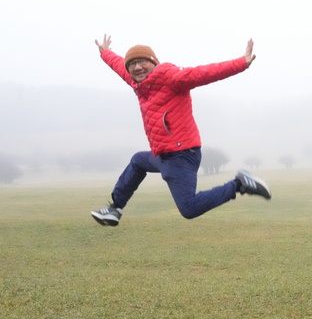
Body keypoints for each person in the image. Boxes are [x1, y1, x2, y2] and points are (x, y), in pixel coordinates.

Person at [90, 34, 271, 227]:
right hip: (163, 155)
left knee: (189, 208)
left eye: (142, 62)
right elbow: (120, 65)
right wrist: (105, 53)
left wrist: (241, 63)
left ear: (153, 62)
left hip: (181, 154)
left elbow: (204, 73)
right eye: (132, 64)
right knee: (138, 161)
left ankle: (240, 184)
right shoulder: (139, 84)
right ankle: (115, 209)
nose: (137, 67)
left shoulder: (171, 77)